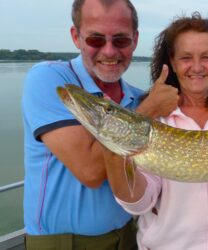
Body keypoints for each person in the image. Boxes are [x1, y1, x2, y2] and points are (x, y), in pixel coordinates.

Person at [103, 12, 208, 250]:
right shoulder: (154, 114)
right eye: (185, 58)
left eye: (206, 57)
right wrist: (113, 153)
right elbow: (140, 204)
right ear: (172, 62)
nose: (196, 67)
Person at [21, 0, 179, 249]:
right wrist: (150, 109)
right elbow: (90, 172)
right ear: (76, 36)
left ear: (134, 40)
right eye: (95, 39)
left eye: (121, 40)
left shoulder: (137, 99)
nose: (109, 51)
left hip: (129, 236)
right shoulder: (51, 80)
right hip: (64, 243)